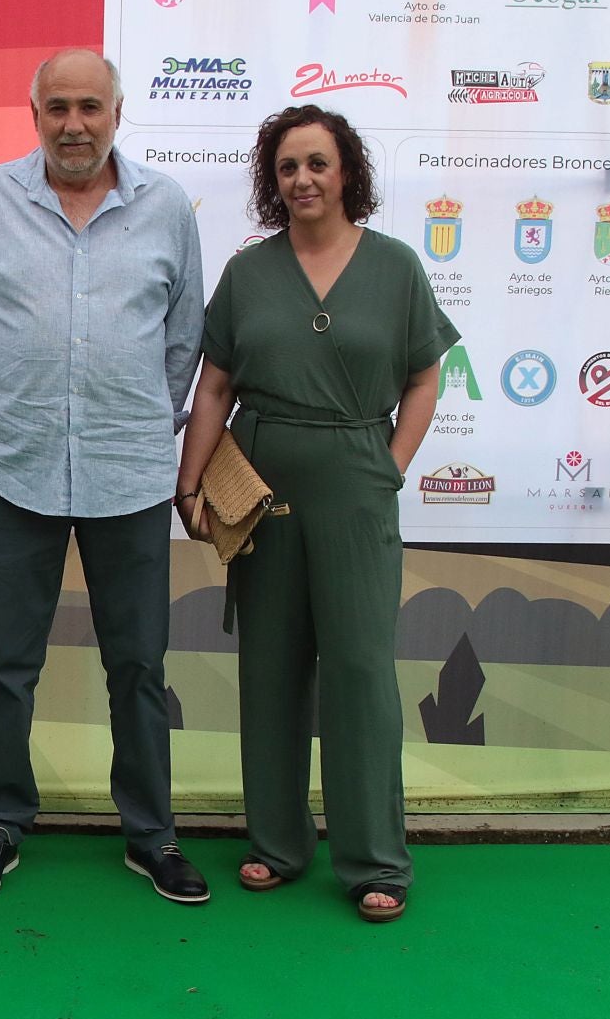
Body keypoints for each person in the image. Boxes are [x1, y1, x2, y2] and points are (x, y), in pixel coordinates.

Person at [174, 104, 455, 924]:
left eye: (318, 164)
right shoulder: (249, 272)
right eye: (288, 167)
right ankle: (278, 844)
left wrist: (389, 467)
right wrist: (190, 487)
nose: (303, 179)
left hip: (357, 485)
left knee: (362, 674)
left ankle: (375, 859)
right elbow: (216, 386)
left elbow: (423, 377)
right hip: (258, 491)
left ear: (347, 174)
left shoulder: (397, 266)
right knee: (270, 667)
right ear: (274, 180)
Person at [0, 49, 208, 903]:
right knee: (8, 660)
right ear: (34, 115)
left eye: (90, 107)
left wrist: (133, 419)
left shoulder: (166, 207)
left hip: (128, 474)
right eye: (57, 107)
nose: (73, 125)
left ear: (117, 113)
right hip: (15, 469)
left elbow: (182, 341)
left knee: (138, 664)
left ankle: (152, 834)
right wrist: (5, 413)